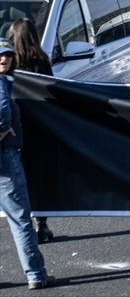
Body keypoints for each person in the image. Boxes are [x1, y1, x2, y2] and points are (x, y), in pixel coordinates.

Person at [0, 38, 55, 290]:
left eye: (8, 55)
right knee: (20, 218)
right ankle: (35, 274)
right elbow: (2, 117)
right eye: (0, 55)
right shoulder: (0, 83)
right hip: (5, 158)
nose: (4, 59)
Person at [6, 18, 55, 244]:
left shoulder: (8, 64)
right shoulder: (41, 62)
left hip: (13, 130)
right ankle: (41, 224)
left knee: (17, 177)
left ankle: (21, 223)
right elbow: (52, 90)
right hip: (38, 128)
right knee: (37, 176)